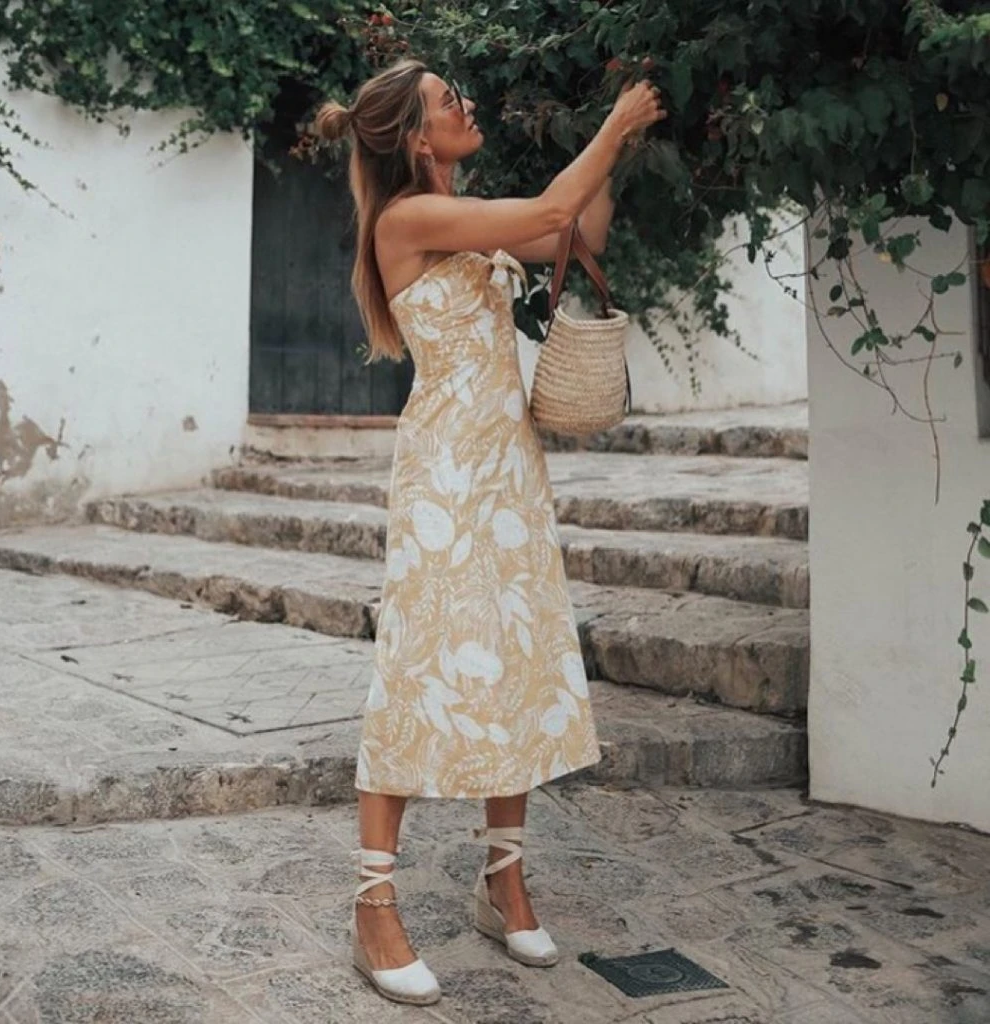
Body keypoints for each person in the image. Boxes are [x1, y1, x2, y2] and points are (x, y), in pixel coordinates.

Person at [312, 57, 666, 1006]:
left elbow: (580, 226)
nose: (466, 104)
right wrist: (613, 126)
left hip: (510, 468)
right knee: (417, 672)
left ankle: (503, 880)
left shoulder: (464, 211)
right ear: (415, 137)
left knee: (515, 661)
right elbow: (551, 208)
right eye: (446, 100)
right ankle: (373, 908)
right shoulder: (407, 219)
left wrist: (611, 150)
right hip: (444, 474)